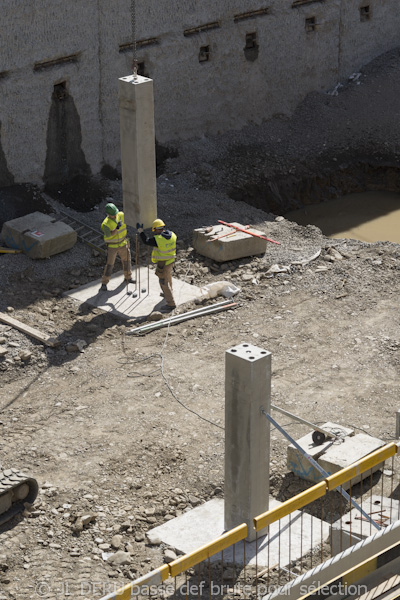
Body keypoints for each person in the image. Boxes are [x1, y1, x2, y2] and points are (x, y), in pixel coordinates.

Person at [137, 219, 177, 311]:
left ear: (156, 229)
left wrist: (141, 231)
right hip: (171, 260)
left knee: (163, 282)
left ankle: (171, 304)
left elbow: (146, 241)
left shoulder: (158, 239)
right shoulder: (173, 235)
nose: (154, 232)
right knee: (168, 276)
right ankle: (168, 292)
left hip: (163, 263)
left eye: (154, 230)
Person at [99, 203, 134, 292]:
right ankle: (104, 283)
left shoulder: (121, 215)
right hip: (112, 247)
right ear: (108, 214)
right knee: (110, 264)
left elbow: (131, 218)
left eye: (115, 213)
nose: (115, 215)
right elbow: (109, 235)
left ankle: (128, 277)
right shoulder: (105, 224)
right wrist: (116, 228)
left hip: (123, 243)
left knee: (127, 261)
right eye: (113, 214)